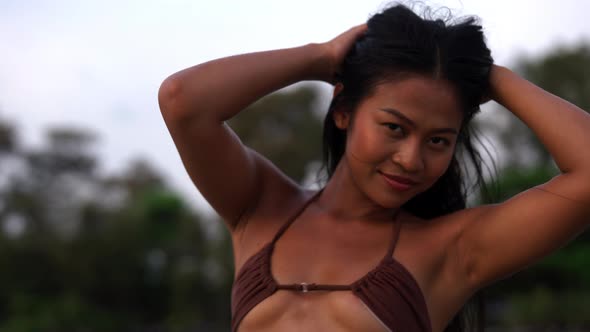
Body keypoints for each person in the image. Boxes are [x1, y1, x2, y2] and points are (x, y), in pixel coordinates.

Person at [157, 3, 590, 332]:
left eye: (439, 140)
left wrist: (487, 75)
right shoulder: (260, 207)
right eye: (394, 128)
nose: (411, 159)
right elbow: (183, 100)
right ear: (343, 109)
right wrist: (320, 56)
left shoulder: (453, 251)